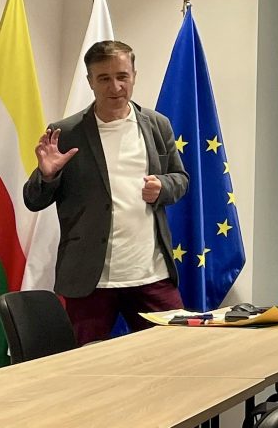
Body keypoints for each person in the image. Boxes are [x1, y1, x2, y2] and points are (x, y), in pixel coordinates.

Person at [24, 40, 189, 344]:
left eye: (122, 76)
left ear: (134, 76)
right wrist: (47, 175)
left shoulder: (157, 125)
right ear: (90, 81)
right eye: (104, 78)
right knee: (86, 363)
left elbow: (180, 178)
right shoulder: (66, 132)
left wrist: (163, 187)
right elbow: (33, 200)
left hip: (150, 272)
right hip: (90, 280)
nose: (115, 87)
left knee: (176, 350)